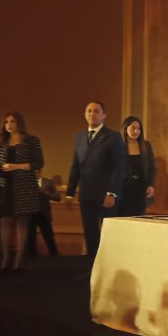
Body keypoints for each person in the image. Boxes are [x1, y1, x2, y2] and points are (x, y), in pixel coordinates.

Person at [66, 102, 125, 258]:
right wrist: (70, 193)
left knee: (108, 233)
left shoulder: (113, 136)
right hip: (86, 194)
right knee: (90, 232)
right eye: (89, 111)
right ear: (85, 114)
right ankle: (92, 265)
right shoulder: (79, 137)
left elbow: (118, 167)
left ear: (104, 115)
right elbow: (76, 166)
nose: (92, 114)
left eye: (96, 111)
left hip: (106, 195)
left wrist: (111, 193)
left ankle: (110, 266)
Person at [0, 112, 44, 272]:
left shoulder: (31, 141)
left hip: (23, 185)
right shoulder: (1, 142)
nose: (9, 125)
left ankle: (19, 260)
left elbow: (39, 162)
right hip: (4, 185)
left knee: (22, 221)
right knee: (4, 220)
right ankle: (5, 258)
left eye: (12, 121)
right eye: (6, 122)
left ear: (19, 123)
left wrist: (16, 166)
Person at [117, 116, 157, 217]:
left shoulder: (145, 145)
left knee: (138, 218)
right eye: (133, 128)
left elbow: (152, 167)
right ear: (125, 129)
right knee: (123, 219)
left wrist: (151, 185)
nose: (136, 131)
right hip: (123, 189)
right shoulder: (118, 145)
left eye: (139, 129)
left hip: (140, 189)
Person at [26, 169, 61, 257]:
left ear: (40, 172)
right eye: (33, 173)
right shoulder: (26, 183)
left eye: (37, 172)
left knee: (49, 237)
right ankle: (32, 258)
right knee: (30, 238)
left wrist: (45, 193)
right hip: (30, 214)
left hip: (44, 214)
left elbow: (58, 197)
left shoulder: (48, 182)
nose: (35, 174)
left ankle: (55, 258)